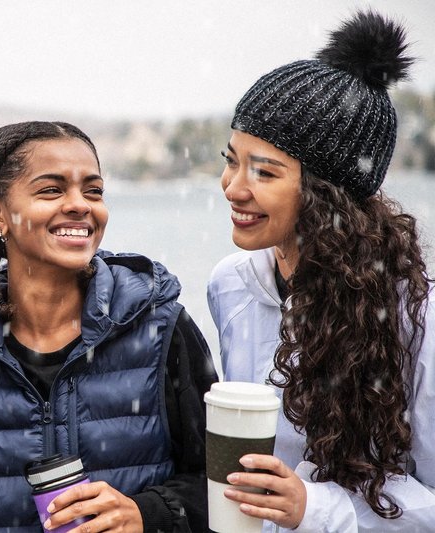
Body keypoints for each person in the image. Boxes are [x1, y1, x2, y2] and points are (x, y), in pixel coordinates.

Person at [207, 10, 435, 532]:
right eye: (232, 159)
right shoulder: (230, 284)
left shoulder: (416, 314)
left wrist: (314, 509)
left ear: (324, 193)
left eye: (264, 171)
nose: (233, 187)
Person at [0, 120, 218, 532]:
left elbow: (226, 484)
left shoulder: (162, 330)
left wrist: (148, 514)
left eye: (93, 190)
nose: (80, 204)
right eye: (52, 189)